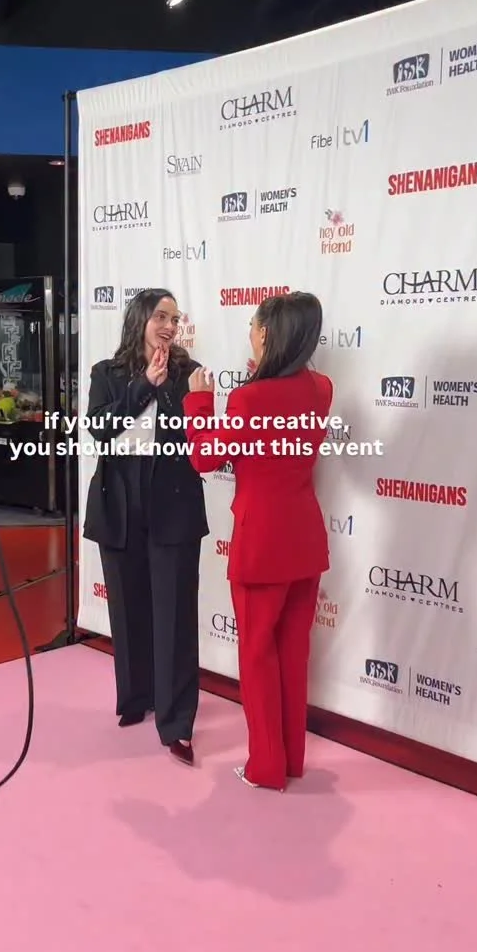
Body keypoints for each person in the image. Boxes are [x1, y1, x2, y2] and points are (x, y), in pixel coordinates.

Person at [183, 292, 332, 791]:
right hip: (304, 538)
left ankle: (266, 767)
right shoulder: (322, 388)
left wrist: (199, 402)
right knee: (292, 652)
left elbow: (205, 457)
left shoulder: (249, 399)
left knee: (257, 654)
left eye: (252, 325)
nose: (248, 332)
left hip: (262, 542)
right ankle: (290, 760)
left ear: (267, 333)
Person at [83, 288, 208, 766]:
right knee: (128, 608)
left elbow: (197, 439)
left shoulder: (189, 373)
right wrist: (142, 387)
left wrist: (175, 390)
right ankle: (136, 697)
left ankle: (177, 724)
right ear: (140, 320)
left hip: (173, 505)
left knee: (175, 617)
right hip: (119, 505)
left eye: (175, 318)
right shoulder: (106, 373)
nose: (170, 326)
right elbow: (100, 429)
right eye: (161, 316)